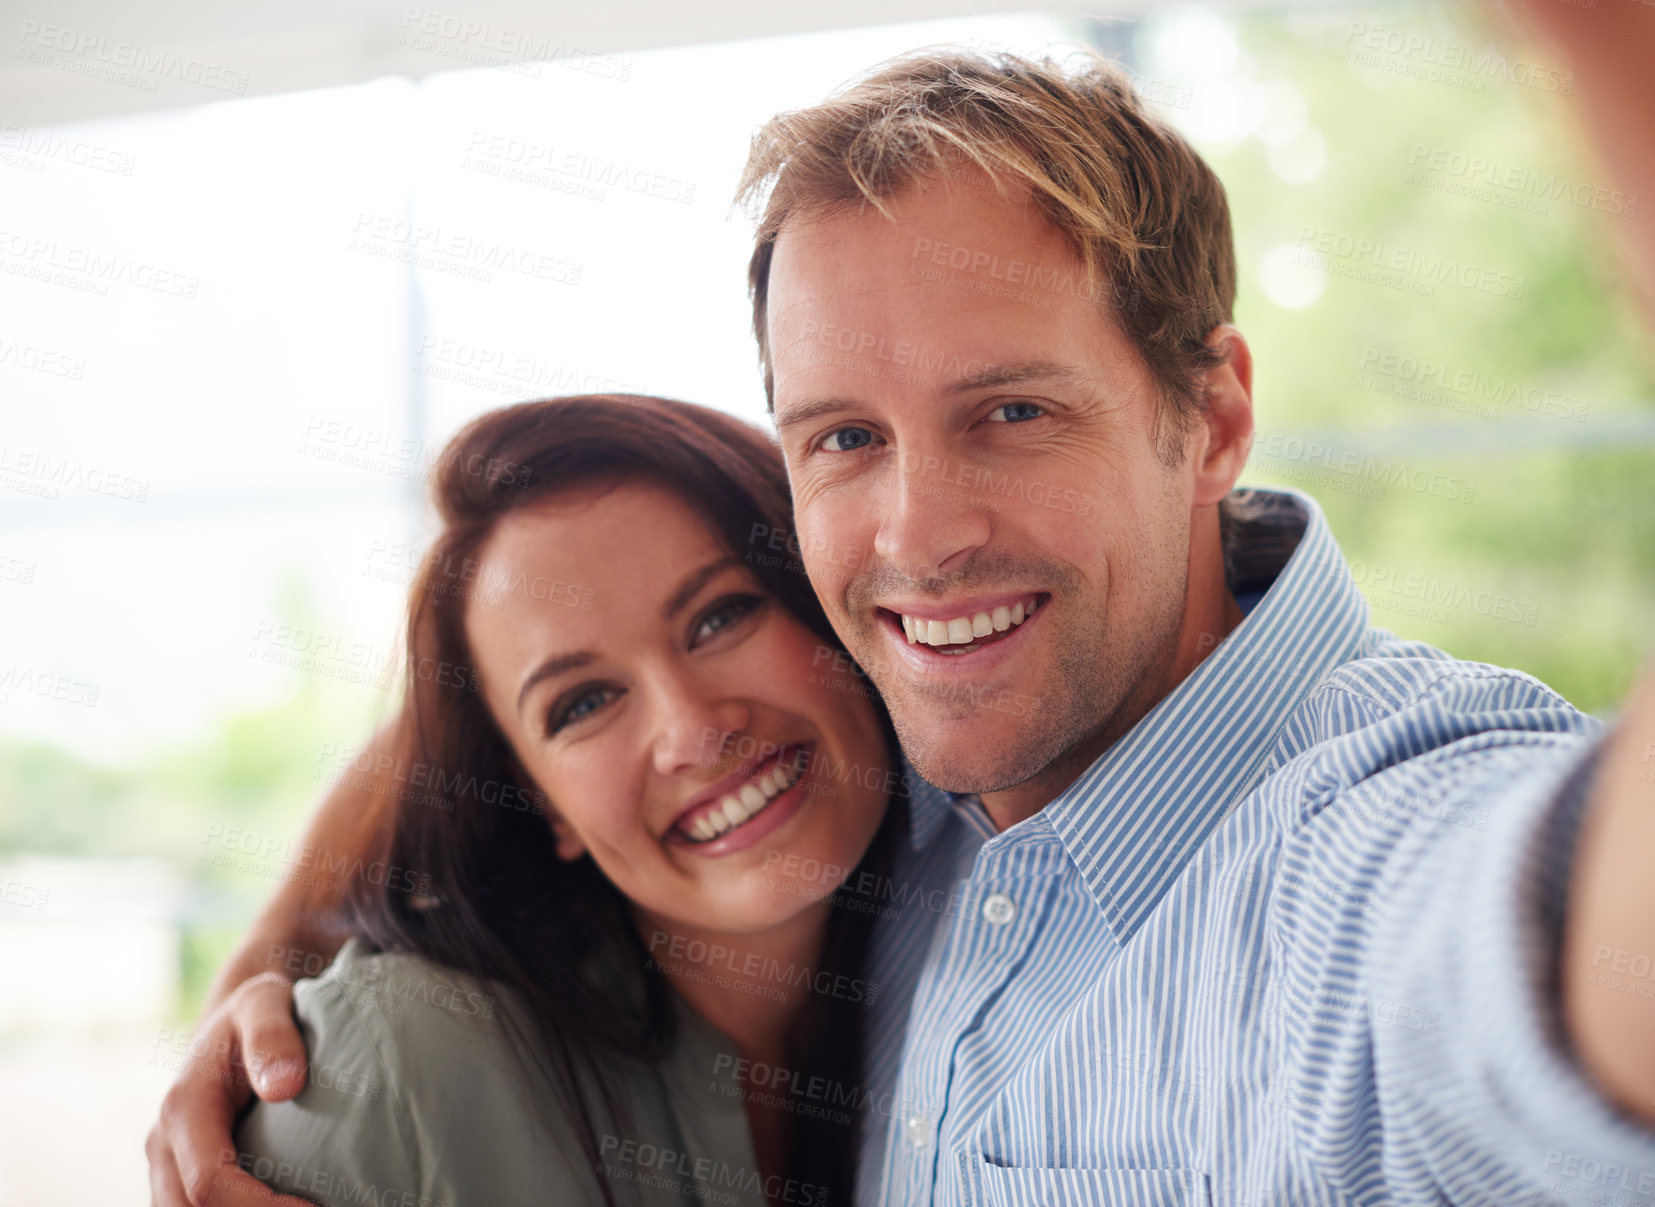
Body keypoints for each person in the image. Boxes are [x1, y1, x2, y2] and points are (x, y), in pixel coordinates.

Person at [151, 47, 1655, 1206]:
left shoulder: (1367, 851)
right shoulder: (904, 767)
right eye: (842, 439)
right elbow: (562, 669)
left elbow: (1563, 949)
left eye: (1010, 412)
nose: (918, 536)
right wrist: (286, 987)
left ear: (1210, 415)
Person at [206, 393, 908, 1206]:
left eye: (720, 616)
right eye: (582, 703)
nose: (692, 732)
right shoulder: (390, 1069)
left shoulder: (985, 876)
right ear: (542, 802)